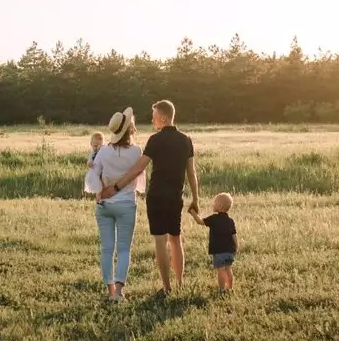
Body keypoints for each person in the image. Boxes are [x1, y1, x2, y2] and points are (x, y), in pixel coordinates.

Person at [98, 99, 198, 294]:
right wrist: (195, 198)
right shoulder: (186, 139)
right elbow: (191, 173)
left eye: (154, 118)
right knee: (176, 239)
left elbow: (138, 169)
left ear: (163, 117)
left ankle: (167, 288)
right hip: (176, 197)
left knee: (160, 240)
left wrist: (116, 186)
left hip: (157, 197)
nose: (153, 122)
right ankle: (179, 284)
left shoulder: (155, 139)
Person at [89, 108, 144, 302]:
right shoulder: (137, 151)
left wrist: (98, 193)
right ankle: (119, 292)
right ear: (130, 129)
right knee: (123, 249)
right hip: (126, 204)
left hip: (104, 204)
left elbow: (93, 176)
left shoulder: (103, 151)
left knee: (106, 248)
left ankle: (110, 291)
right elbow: (140, 180)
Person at [188, 192, 237, 293]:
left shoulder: (214, 219)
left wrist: (192, 212)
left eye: (214, 202)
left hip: (219, 251)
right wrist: (236, 247)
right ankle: (230, 288)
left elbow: (200, 221)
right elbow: (234, 235)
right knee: (228, 269)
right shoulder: (230, 221)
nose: (213, 204)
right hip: (229, 251)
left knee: (221, 270)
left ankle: (222, 289)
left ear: (220, 206)